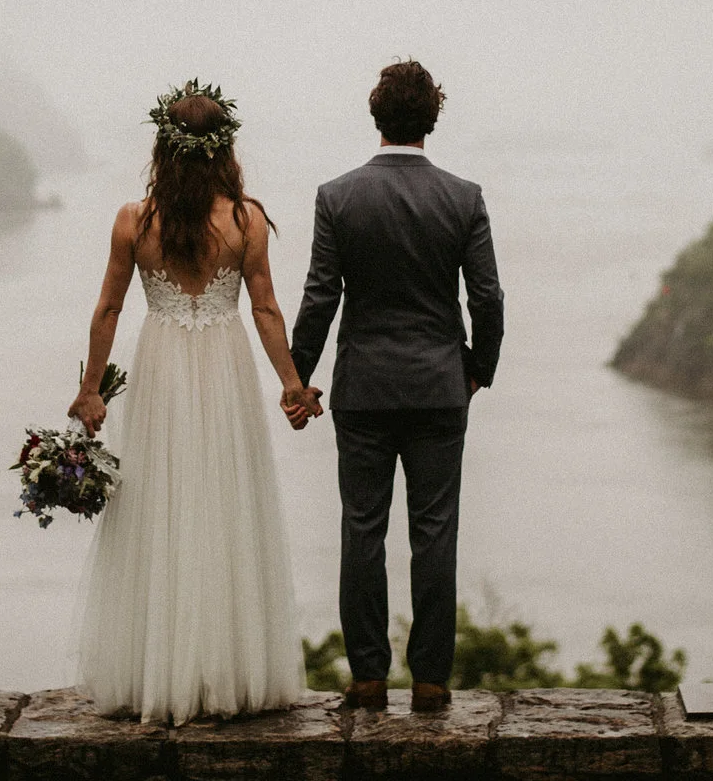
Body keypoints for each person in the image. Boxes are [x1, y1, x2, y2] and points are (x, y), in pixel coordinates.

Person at [68, 80, 312, 723]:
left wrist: (91, 390)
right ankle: (230, 671)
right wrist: (290, 382)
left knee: (161, 507)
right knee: (226, 503)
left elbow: (110, 309)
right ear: (224, 150)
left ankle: (159, 672)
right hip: (224, 366)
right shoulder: (245, 219)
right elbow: (264, 307)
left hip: (164, 365)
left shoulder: (134, 221)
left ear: (164, 149)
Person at [287, 60, 504, 711]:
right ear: (430, 118)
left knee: (362, 530)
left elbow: (320, 298)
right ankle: (433, 680)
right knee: (434, 533)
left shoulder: (338, 196)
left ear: (377, 114)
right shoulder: (463, 197)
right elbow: (487, 297)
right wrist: (476, 369)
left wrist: (298, 379)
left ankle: (368, 677)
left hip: (363, 389)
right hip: (439, 386)